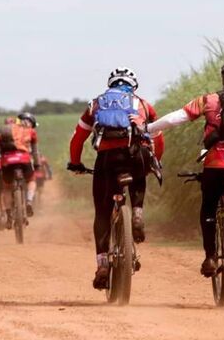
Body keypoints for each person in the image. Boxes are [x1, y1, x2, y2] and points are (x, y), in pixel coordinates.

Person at [133, 59, 224, 277]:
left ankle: (210, 257)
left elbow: (176, 118)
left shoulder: (209, 100)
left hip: (216, 162)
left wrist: (147, 128)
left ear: (223, 79)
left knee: (208, 205)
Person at [67, 66, 164, 289]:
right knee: (141, 175)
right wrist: (155, 161)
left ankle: (102, 264)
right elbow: (157, 138)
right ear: (133, 85)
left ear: (111, 84)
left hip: (107, 160)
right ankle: (137, 212)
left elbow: (78, 138)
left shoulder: (95, 104)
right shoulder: (143, 104)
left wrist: (75, 163)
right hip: (135, 156)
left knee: (102, 211)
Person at [0, 112, 40, 228]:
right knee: (31, 180)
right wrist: (37, 164)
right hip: (24, 160)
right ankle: (29, 201)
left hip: (7, 162)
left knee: (6, 188)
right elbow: (35, 152)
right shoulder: (31, 132)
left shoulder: (6, 130)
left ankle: (8, 214)